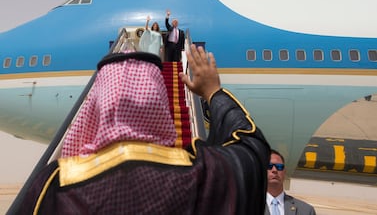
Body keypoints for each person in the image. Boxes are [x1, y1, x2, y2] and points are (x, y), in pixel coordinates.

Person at [16, 45, 270, 215]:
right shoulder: (202, 172)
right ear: (160, 103)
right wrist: (212, 92)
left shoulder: (57, 183)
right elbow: (250, 148)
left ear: (96, 104)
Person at [265, 149, 316, 215]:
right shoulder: (249, 206)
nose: (274, 170)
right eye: (269, 166)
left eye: (279, 167)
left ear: (284, 172)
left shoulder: (306, 210)